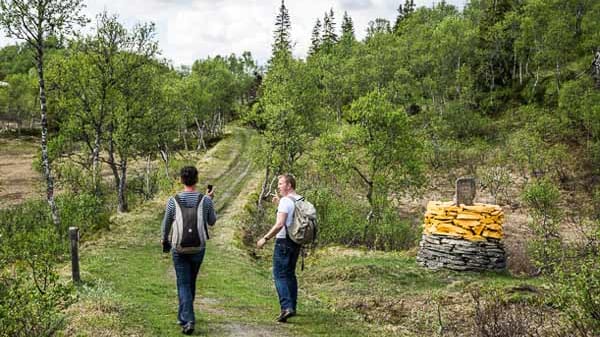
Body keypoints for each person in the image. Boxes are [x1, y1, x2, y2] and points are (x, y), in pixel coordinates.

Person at [161, 166, 217, 335]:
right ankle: (184, 316)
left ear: (181, 179)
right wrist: (210, 200)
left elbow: (166, 223)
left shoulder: (173, 200)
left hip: (179, 247)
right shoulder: (205, 200)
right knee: (190, 281)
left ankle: (188, 319)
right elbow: (212, 221)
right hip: (198, 247)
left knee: (183, 282)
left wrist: (164, 238)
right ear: (196, 179)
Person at [256, 174, 302, 323]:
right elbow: (293, 219)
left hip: (283, 241)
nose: (278, 186)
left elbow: (280, 224)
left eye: (281, 183)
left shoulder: (285, 202)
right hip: (296, 241)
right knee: (289, 274)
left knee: (279, 275)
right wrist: (279, 204)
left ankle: (286, 307)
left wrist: (265, 238)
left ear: (289, 185)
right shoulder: (300, 199)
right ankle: (292, 306)